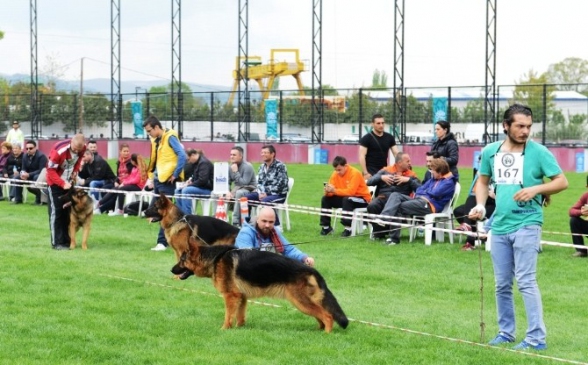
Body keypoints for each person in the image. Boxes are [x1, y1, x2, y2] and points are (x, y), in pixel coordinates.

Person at [468, 103, 568, 351]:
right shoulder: (491, 151)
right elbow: (482, 181)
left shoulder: (539, 151)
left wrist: (536, 188)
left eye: (529, 126)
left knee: (525, 281)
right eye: (520, 126)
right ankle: (506, 332)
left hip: (528, 222)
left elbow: (562, 181)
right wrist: (480, 205)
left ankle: (536, 338)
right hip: (500, 225)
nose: (525, 131)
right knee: (501, 284)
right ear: (506, 126)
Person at [376, 158, 457, 245]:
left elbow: (435, 193)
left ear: (440, 172)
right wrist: (425, 193)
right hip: (421, 200)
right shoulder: (434, 179)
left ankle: (394, 239)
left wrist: (425, 193)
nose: (431, 172)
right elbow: (419, 189)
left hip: (430, 206)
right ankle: (384, 218)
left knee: (397, 207)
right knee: (395, 195)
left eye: (433, 170)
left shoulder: (449, 182)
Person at [144, 115, 187, 251]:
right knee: (152, 211)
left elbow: (182, 155)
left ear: (157, 127)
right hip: (158, 179)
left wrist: (175, 174)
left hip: (167, 181)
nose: (149, 134)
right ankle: (166, 240)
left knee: (164, 213)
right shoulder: (156, 139)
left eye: (150, 131)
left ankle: (162, 242)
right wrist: (151, 177)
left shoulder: (170, 137)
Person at [236, 206, 315, 266]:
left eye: (271, 222)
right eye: (264, 221)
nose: (267, 225)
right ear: (257, 219)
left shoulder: (274, 231)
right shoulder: (246, 232)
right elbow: (246, 259)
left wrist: (304, 258)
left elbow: (288, 250)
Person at [366, 152, 421, 239]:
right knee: (372, 206)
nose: (410, 163)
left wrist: (408, 180)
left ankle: (383, 230)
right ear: (399, 163)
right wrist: (381, 177)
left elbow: (420, 189)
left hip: (400, 199)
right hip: (383, 197)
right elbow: (369, 182)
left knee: (395, 205)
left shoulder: (411, 174)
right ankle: (380, 232)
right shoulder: (386, 170)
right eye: (408, 161)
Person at [46, 134, 86, 250]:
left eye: (79, 150)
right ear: (71, 142)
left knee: (68, 213)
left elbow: (78, 160)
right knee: (57, 213)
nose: (76, 151)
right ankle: (57, 243)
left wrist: (75, 171)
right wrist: (62, 183)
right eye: (74, 149)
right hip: (54, 183)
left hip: (68, 182)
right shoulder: (59, 151)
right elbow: (50, 171)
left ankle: (66, 240)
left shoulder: (82, 148)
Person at [320, 156, 373, 237]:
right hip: (346, 198)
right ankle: (326, 227)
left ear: (345, 166)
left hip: (362, 199)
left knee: (347, 199)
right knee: (325, 199)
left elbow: (351, 192)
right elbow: (333, 191)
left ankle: (348, 228)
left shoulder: (355, 173)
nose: (337, 172)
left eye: (339, 170)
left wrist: (334, 191)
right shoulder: (335, 174)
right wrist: (328, 191)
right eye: (336, 170)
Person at [244, 145, 288, 228]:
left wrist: (267, 193)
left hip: (278, 194)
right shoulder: (261, 167)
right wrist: (260, 192)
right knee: (244, 199)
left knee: (266, 201)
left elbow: (281, 184)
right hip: (263, 194)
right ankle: (246, 223)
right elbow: (259, 183)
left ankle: (276, 226)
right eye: (262, 152)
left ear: (272, 154)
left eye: (265, 152)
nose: (263, 154)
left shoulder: (280, 166)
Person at [454, 171, 496, 251]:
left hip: (495, 204)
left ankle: (470, 241)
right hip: (482, 202)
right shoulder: (483, 174)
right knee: (459, 210)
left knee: (474, 213)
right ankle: (468, 226)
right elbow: (476, 192)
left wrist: (495, 196)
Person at [359, 113, 399, 178]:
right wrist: (365, 173)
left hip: (384, 172)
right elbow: (362, 156)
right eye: (378, 123)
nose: (381, 125)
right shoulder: (366, 138)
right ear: (372, 124)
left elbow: (396, 153)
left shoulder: (389, 137)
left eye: (383, 123)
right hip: (370, 173)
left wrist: (401, 166)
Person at [225, 146, 257, 227]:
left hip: (249, 189)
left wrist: (236, 172)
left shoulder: (247, 166)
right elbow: (227, 182)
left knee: (239, 193)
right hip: (237, 189)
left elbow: (244, 183)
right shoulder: (230, 166)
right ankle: (218, 219)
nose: (231, 156)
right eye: (231, 154)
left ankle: (235, 222)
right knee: (216, 193)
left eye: (234, 155)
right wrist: (228, 191)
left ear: (241, 156)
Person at [176, 149, 214, 215]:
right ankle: (180, 214)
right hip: (201, 187)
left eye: (188, 159)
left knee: (186, 190)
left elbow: (202, 181)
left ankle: (187, 216)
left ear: (193, 155)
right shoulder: (196, 163)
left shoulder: (204, 163)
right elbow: (196, 177)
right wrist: (190, 181)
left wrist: (189, 185)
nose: (188, 162)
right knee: (177, 190)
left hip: (207, 189)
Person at [15, 140, 48, 205]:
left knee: (36, 177)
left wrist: (29, 175)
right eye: (27, 148)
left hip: (39, 175)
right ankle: (18, 200)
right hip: (28, 175)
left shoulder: (41, 156)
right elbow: (23, 168)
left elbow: (42, 170)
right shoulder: (25, 156)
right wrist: (22, 174)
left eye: (30, 148)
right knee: (17, 178)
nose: (28, 150)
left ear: (35, 148)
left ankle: (38, 200)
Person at [568, 183, 588, 258]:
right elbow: (571, 211)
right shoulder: (586, 196)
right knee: (574, 220)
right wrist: (581, 212)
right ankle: (581, 250)